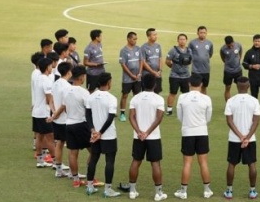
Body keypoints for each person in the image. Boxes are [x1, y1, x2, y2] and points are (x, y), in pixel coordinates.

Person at [127, 73, 167, 201]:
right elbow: (159, 118)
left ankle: (132, 191)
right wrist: (147, 132)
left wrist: (139, 132)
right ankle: (158, 193)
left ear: (142, 84)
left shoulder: (135, 98)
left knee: (135, 161)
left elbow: (131, 117)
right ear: (155, 84)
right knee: (155, 163)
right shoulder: (159, 99)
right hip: (153, 137)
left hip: (138, 137)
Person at [49, 66, 91, 188]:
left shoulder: (66, 90)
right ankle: (90, 176)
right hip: (81, 125)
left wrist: (53, 116)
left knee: (73, 152)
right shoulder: (84, 92)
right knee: (94, 152)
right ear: (82, 77)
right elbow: (89, 111)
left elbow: (63, 107)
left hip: (69, 125)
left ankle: (76, 179)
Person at [174, 74, 213, 199]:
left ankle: (183, 191)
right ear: (201, 84)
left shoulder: (182, 97)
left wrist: (187, 124)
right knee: (203, 162)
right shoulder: (206, 99)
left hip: (187, 133)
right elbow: (208, 117)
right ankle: (207, 190)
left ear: (189, 84)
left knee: (187, 163)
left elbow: (180, 116)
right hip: (202, 132)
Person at [224, 76, 260, 199]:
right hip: (249, 140)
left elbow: (229, 121)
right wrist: (247, 137)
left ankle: (229, 191)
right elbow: (256, 121)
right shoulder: (254, 101)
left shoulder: (231, 101)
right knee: (252, 164)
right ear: (248, 85)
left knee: (231, 164)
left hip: (234, 139)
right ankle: (252, 191)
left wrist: (240, 136)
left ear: (236, 86)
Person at [86, 72, 121, 197]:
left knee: (93, 160)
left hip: (94, 135)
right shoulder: (111, 98)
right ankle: (107, 189)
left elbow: (88, 115)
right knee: (109, 161)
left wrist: (93, 131)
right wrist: (100, 132)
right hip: (109, 135)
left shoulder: (90, 97)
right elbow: (110, 118)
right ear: (108, 82)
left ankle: (89, 187)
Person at [32, 57, 56, 168]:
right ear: (47, 67)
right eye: (51, 66)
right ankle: (57, 162)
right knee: (50, 138)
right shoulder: (46, 80)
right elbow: (48, 99)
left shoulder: (37, 78)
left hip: (36, 112)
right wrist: (55, 111)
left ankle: (40, 161)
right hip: (44, 113)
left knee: (39, 136)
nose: (52, 67)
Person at [51, 62, 73, 177]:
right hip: (65, 120)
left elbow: (51, 99)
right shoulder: (67, 86)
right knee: (71, 147)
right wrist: (56, 114)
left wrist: (54, 113)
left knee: (59, 143)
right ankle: (72, 172)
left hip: (57, 120)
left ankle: (58, 170)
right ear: (69, 72)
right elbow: (65, 105)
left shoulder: (55, 83)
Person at [166, 33, 193, 115]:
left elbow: (190, 61)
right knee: (173, 92)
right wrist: (174, 68)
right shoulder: (173, 50)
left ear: (186, 40)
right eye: (180, 39)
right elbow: (167, 61)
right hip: (174, 76)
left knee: (186, 94)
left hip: (186, 76)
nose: (182, 41)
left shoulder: (189, 50)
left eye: (184, 39)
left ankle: (185, 109)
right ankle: (169, 109)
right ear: (178, 40)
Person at [119, 31, 142, 122]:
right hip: (127, 78)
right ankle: (122, 113)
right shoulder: (123, 50)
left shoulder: (138, 49)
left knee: (137, 95)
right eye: (134, 39)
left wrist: (139, 73)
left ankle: (136, 113)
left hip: (138, 77)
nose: (135, 41)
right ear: (128, 39)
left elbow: (141, 61)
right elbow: (123, 65)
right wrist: (132, 75)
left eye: (136, 39)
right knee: (125, 95)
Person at [189, 26, 214, 95]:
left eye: (204, 33)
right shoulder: (192, 43)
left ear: (206, 33)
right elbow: (189, 54)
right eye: (201, 32)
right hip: (195, 70)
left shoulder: (209, 43)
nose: (202, 34)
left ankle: (204, 103)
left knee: (204, 87)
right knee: (194, 88)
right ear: (197, 33)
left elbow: (210, 54)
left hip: (206, 70)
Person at [141, 28, 164, 95]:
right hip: (147, 75)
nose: (156, 36)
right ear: (148, 36)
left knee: (157, 93)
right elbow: (143, 62)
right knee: (146, 93)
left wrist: (160, 70)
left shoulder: (158, 46)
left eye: (156, 34)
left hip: (157, 74)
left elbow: (160, 58)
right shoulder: (143, 47)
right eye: (154, 35)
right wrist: (153, 72)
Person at [221, 35, 243, 101]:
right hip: (228, 71)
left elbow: (240, 52)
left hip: (238, 70)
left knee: (240, 87)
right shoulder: (223, 49)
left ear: (233, 42)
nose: (230, 46)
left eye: (231, 45)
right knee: (227, 87)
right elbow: (222, 57)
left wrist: (239, 59)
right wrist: (227, 62)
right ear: (226, 44)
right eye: (228, 46)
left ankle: (240, 103)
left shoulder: (238, 45)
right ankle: (228, 105)